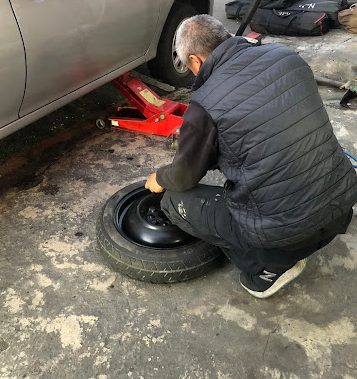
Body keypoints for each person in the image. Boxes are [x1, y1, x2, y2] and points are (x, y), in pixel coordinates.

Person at [145, 15, 357, 298]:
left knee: (173, 200)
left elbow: (184, 177)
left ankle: (268, 268)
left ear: (195, 61)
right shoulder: (287, 57)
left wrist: (160, 178)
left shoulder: (205, 104)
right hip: (341, 208)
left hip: (286, 238)